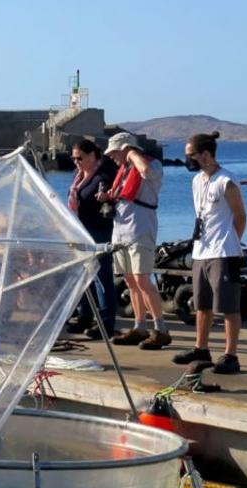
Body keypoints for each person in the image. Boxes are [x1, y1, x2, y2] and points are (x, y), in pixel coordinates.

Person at [172, 131, 245, 374]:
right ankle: (201, 348)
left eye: (190, 156)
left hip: (223, 252)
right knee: (202, 304)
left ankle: (230, 355)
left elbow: (240, 216)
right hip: (201, 250)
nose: (188, 161)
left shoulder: (226, 181)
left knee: (228, 306)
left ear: (205, 155)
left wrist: (231, 242)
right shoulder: (197, 181)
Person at [99, 132, 171, 349]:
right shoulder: (124, 171)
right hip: (121, 231)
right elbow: (122, 195)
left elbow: (147, 172)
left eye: (115, 152)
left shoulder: (151, 165)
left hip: (140, 230)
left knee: (142, 280)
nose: (112, 157)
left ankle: (160, 328)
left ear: (127, 149)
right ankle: (140, 326)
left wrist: (132, 154)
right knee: (130, 281)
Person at [66, 139, 118, 339]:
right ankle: (84, 315)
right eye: (73, 158)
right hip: (80, 230)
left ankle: (105, 322)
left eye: (80, 158)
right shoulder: (79, 175)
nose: (76, 162)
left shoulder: (104, 175)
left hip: (99, 231)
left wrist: (106, 198)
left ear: (92, 155)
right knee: (82, 275)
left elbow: (112, 200)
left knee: (101, 276)